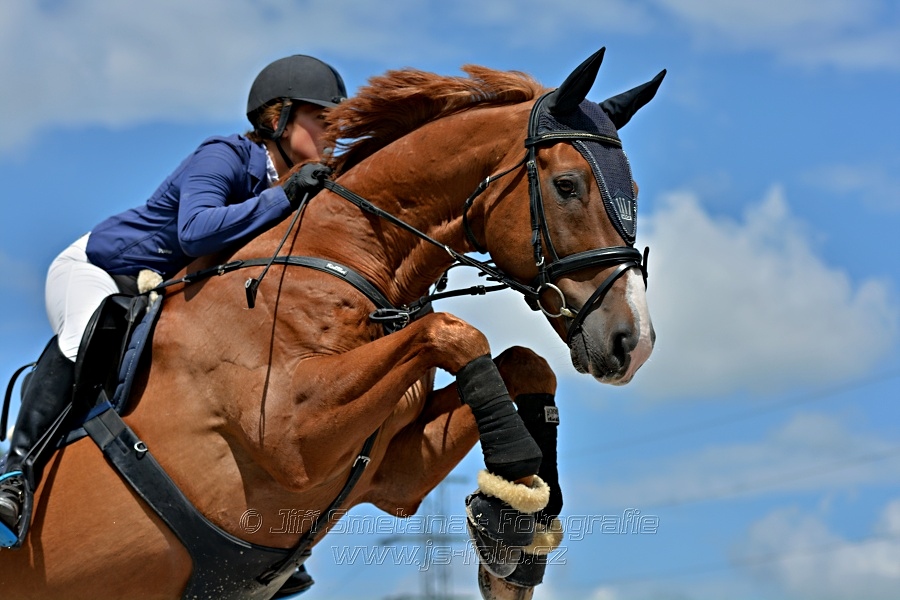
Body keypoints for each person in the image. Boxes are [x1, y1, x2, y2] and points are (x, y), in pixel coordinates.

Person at [0, 54, 346, 551]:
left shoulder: (293, 186)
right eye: (323, 120)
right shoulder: (225, 155)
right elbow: (194, 231)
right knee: (86, 333)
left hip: (157, 292)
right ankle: (13, 474)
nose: (333, 136)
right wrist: (285, 197)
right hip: (98, 270)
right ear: (278, 117)